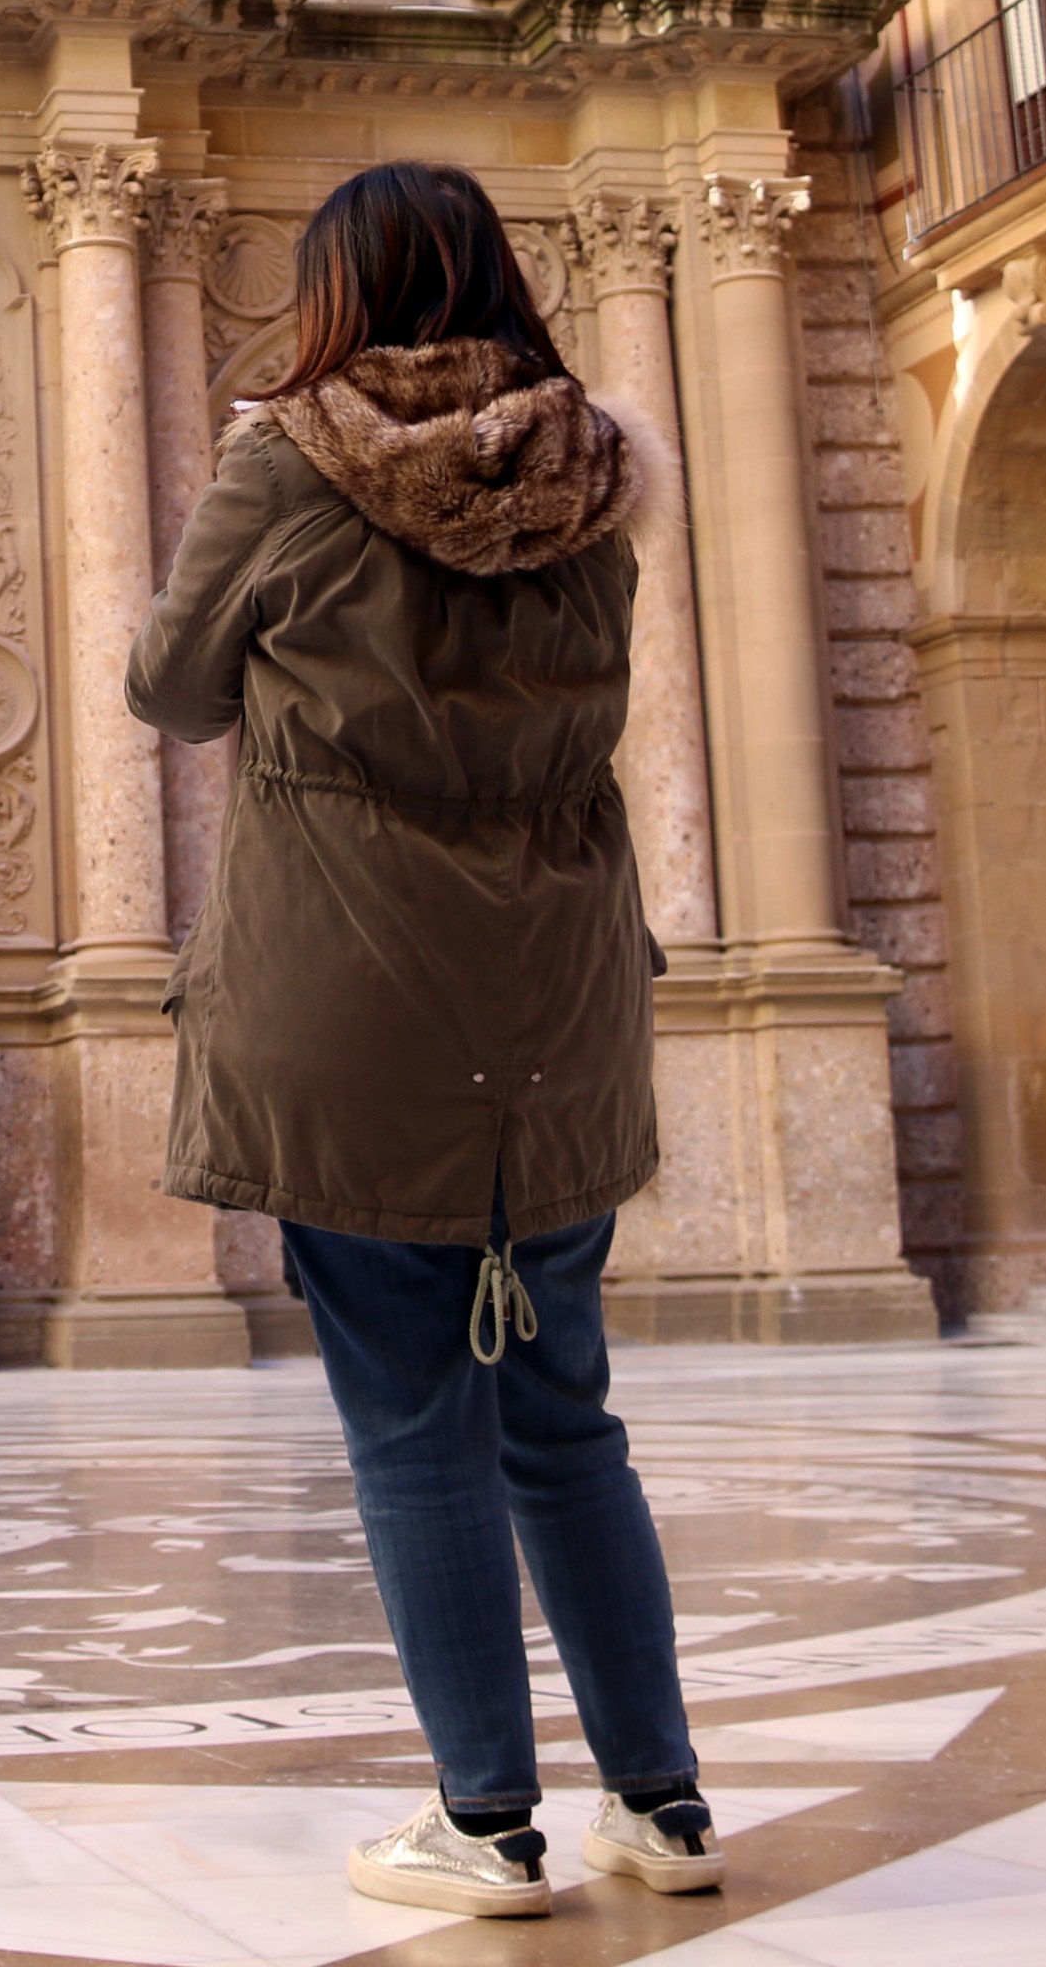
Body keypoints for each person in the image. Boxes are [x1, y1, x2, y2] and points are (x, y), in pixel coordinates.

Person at [127, 160, 717, 1922]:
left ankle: (483, 1820)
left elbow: (171, 682)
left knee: (411, 1424)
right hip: (557, 991)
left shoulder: (286, 457)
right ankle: (663, 1805)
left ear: (337, 293)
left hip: (350, 989)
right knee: (563, 1417)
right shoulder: (599, 469)